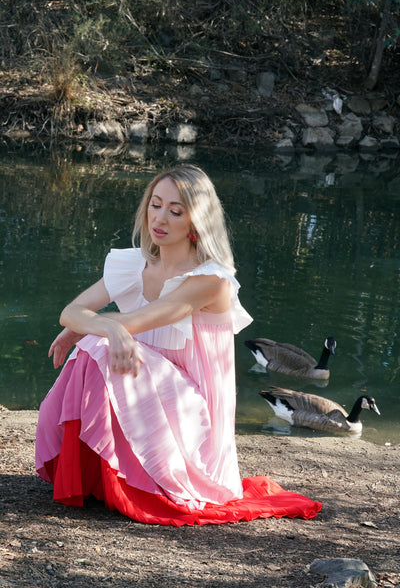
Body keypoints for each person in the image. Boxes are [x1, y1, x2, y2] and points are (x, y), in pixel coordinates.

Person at [35, 164, 322, 526]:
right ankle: (97, 472)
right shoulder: (134, 264)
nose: (160, 218)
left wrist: (91, 328)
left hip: (193, 414)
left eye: (176, 211)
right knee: (96, 346)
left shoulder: (210, 280)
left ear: (196, 222)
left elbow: (127, 322)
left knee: (97, 345)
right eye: (155, 205)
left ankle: (140, 476)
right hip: (148, 391)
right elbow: (69, 311)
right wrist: (87, 327)